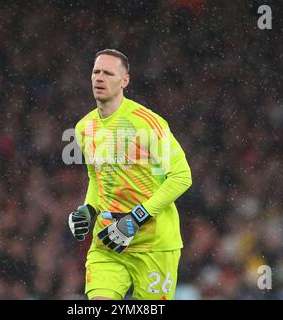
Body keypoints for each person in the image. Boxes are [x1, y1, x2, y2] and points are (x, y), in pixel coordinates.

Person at [68, 49, 192, 300]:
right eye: (96, 72)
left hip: (155, 246)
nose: (99, 78)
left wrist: (136, 218)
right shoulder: (84, 128)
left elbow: (181, 176)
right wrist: (88, 209)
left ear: (124, 81)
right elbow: (96, 177)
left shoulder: (146, 123)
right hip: (109, 242)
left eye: (108, 73)